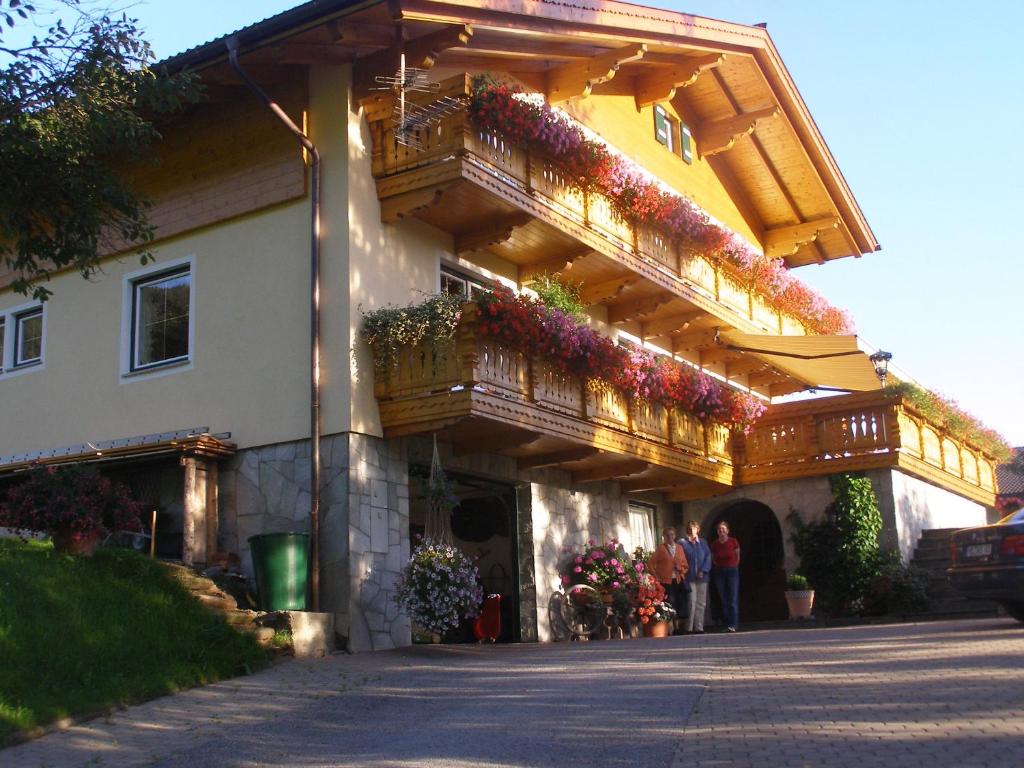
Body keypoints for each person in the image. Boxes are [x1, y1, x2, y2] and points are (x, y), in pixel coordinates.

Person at [647, 526, 689, 635]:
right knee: (670, 604)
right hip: (666, 581)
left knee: (680, 603)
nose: (670, 537)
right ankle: (671, 628)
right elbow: (651, 563)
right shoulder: (661, 549)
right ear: (664, 537)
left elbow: (685, 565)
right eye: (668, 535)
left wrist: (680, 569)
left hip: (678, 580)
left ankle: (680, 627)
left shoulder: (679, 548)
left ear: (675, 536)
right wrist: (656, 576)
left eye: (672, 535)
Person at [681, 520, 711, 634]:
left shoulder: (703, 542)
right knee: (691, 602)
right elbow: (680, 559)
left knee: (701, 602)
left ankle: (699, 627)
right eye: (689, 529)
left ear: (697, 529)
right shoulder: (682, 543)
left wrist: (704, 570)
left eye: (693, 528)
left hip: (702, 577)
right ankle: (689, 628)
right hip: (689, 577)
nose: (691, 531)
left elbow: (708, 557)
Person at [709, 520, 740, 632]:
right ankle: (727, 624)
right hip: (719, 572)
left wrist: (734, 565)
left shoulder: (733, 541)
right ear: (717, 531)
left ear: (727, 531)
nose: (721, 531)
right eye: (719, 529)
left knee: (732, 598)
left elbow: (737, 556)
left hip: (732, 571)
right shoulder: (715, 544)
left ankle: (733, 624)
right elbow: (713, 557)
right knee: (723, 598)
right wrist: (718, 566)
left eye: (723, 529)